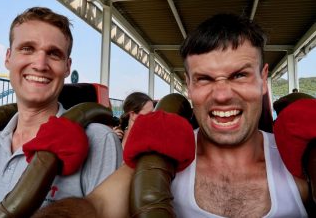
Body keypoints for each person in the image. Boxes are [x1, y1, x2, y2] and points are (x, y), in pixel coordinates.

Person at [31, 13, 311, 218]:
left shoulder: (299, 167)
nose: (223, 94)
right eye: (204, 79)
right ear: (188, 86)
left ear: (263, 80)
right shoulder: (160, 158)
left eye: (239, 75)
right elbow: (96, 206)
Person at [0, 7, 122, 217]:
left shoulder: (99, 139)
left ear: (67, 67)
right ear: (8, 57)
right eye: (27, 48)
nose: (40, 64)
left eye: (54, 54)